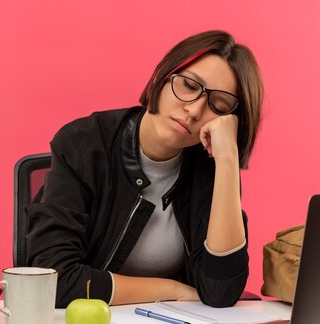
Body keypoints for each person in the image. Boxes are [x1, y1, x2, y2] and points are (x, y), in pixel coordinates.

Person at [26, 30, 263, 308]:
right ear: (162, 77)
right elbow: (53, 279)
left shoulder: (209, 168)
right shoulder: (83, 145)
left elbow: (221, 292)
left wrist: (228, 160)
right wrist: (171, 290)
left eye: (218, 105)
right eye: (188, 85)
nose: (195, 110)